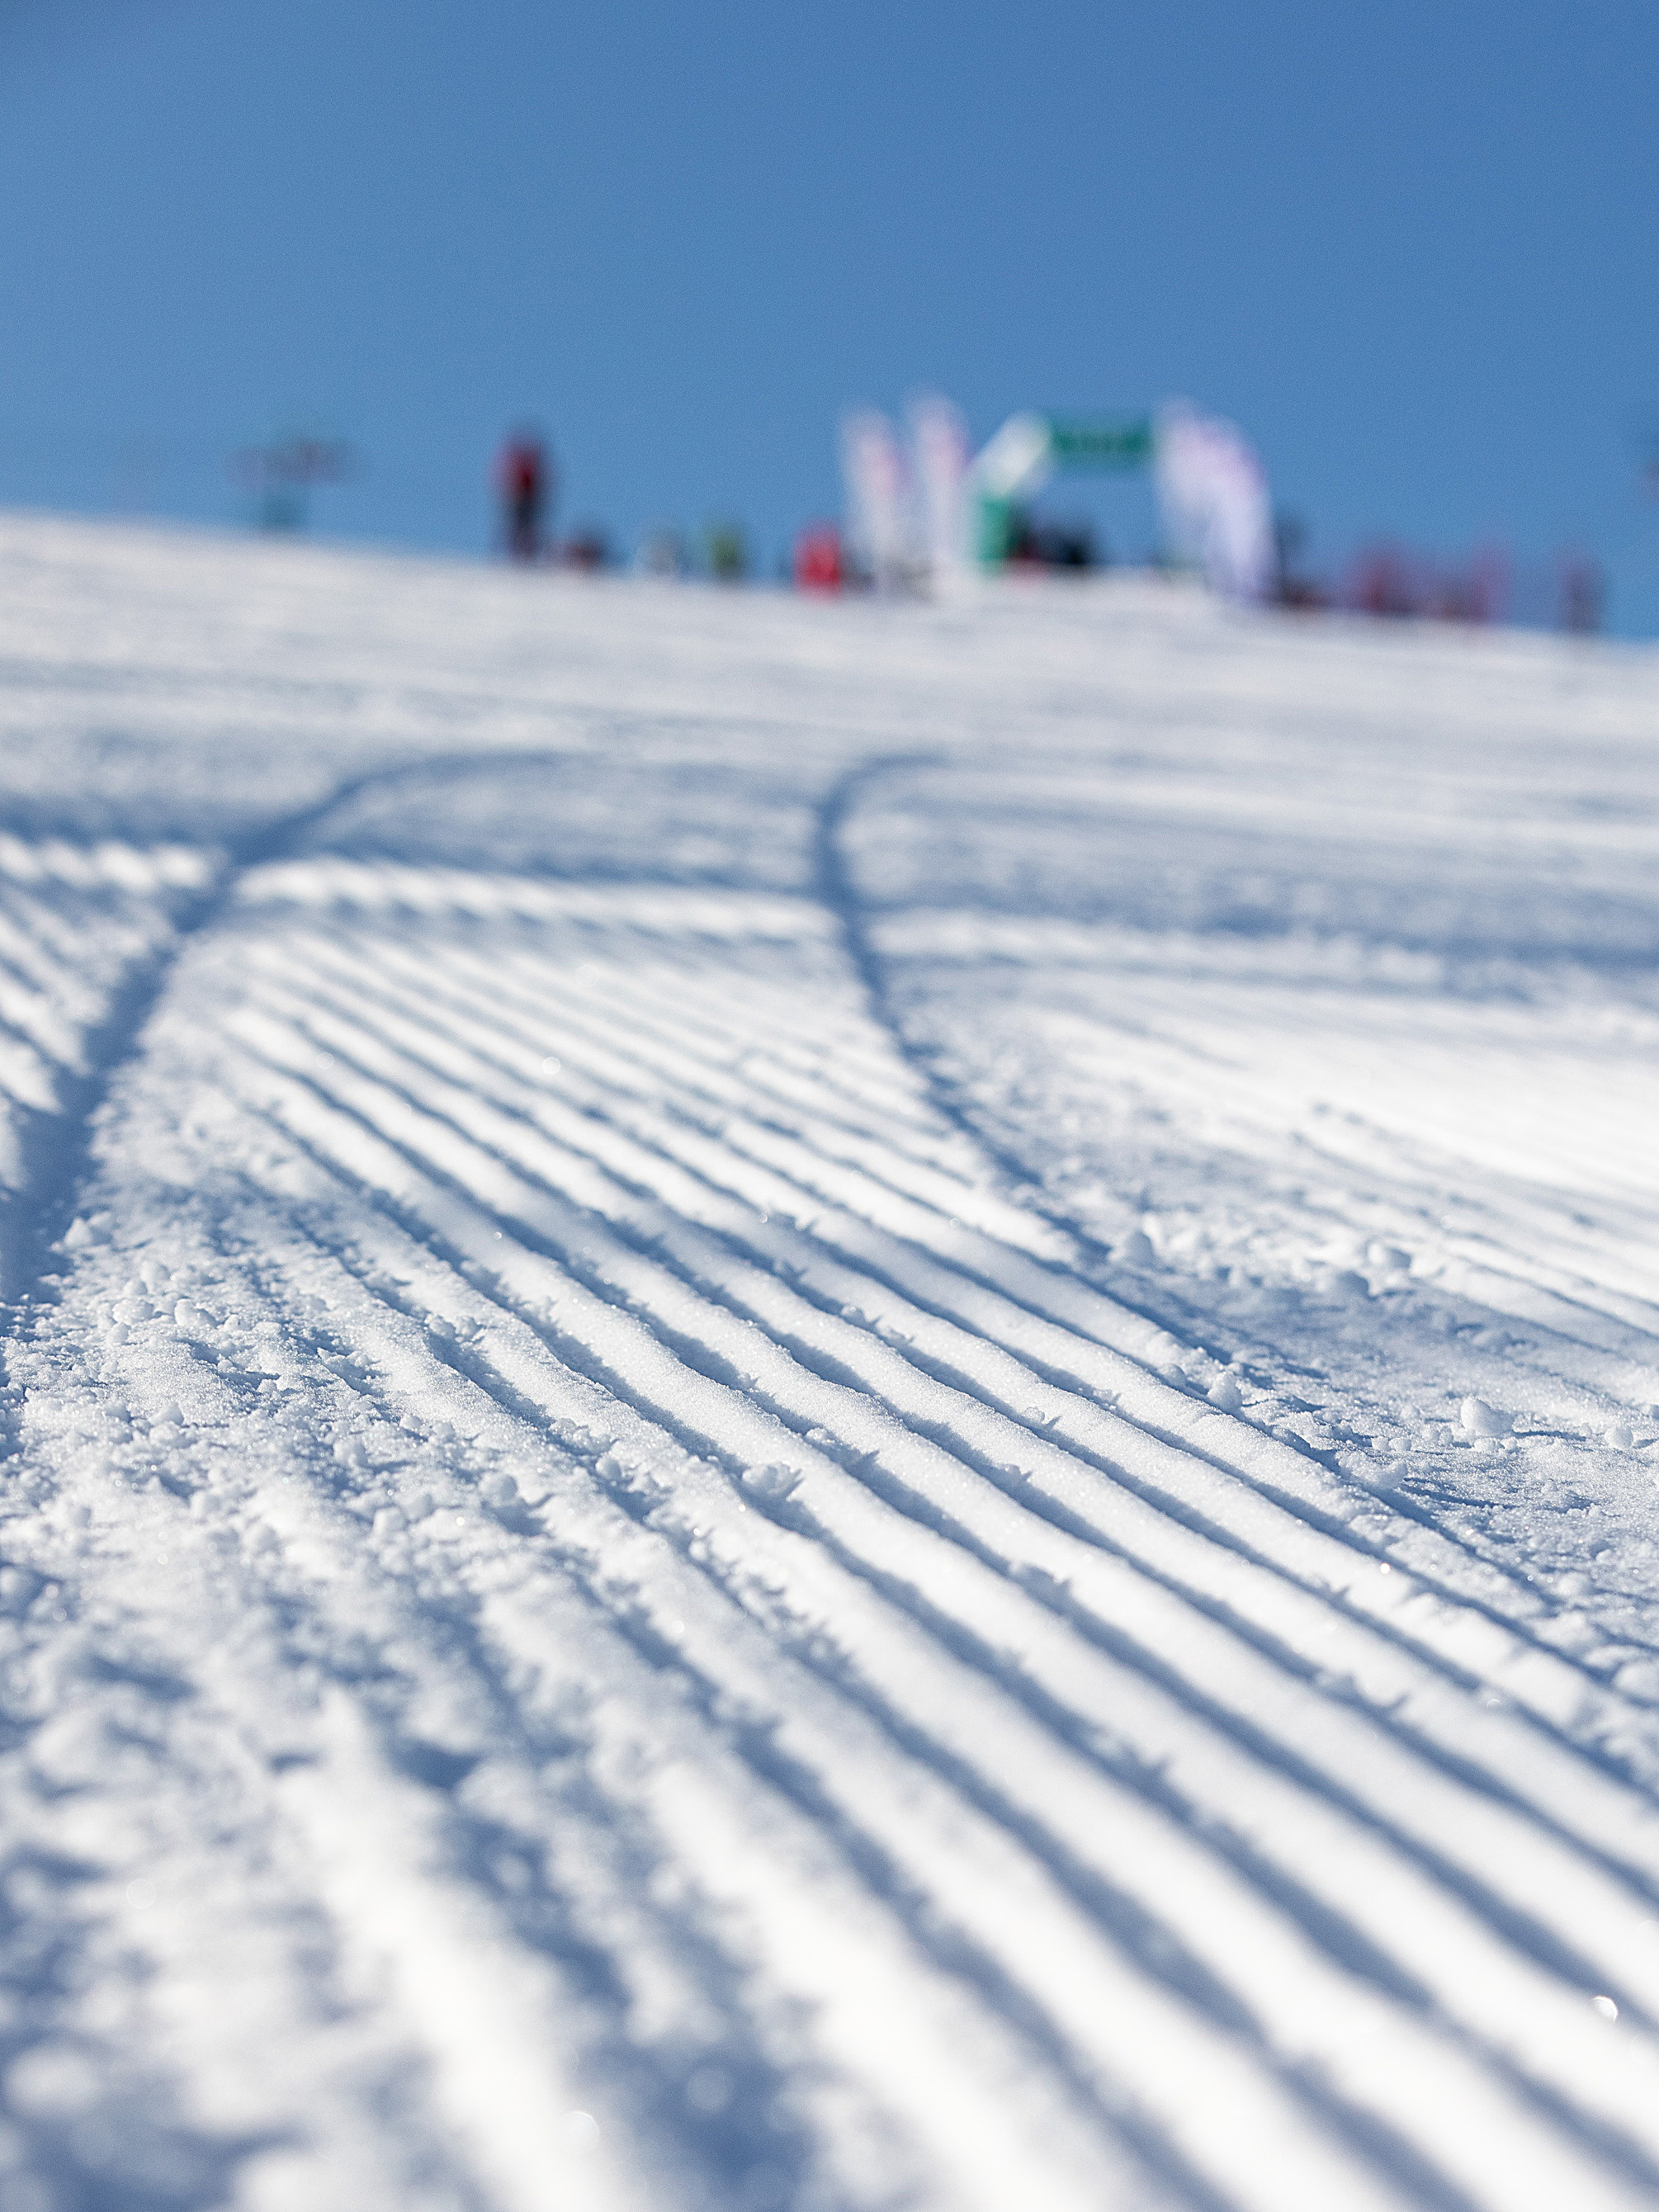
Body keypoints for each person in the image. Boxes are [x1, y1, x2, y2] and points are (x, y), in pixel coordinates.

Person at [497, 432, 553, 560]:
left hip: (528, 501)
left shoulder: (530, 464)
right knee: (517, 528)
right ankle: (516, 555)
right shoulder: (520, 463)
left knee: (526, 528)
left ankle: (527, 554)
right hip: (519, 500)